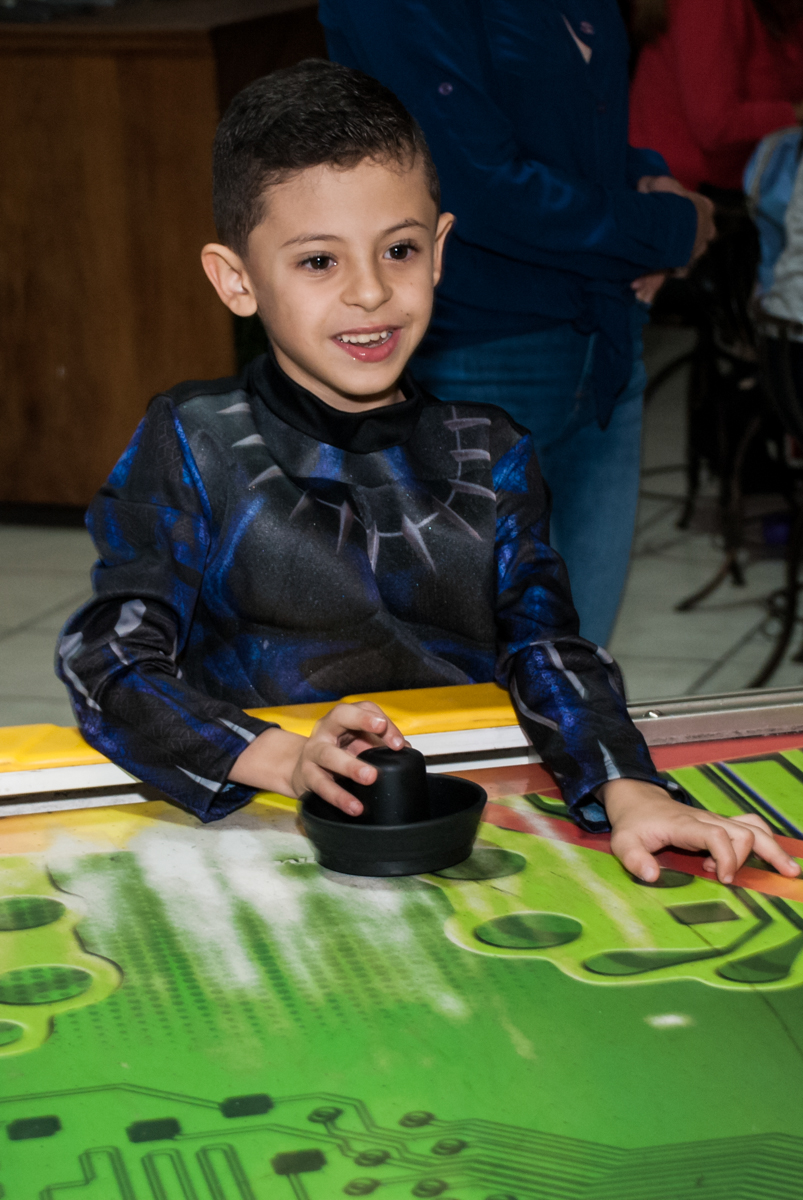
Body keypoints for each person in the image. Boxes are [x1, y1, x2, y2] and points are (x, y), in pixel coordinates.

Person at [56, 61, 798, 887]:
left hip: (468, 829)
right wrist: (285, 762)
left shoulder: (492, 451)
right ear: (236, 279)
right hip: (264, 840)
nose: (371, 292)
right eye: (317, 262)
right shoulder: (190, 441)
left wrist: (627, 788)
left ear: (439, 251)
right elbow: (108, 663)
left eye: (398, 250)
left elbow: (545, 645)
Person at [319, 0, 716, 647]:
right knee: (481, 671)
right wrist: (665, 230)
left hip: (602, 338)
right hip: (476, 348)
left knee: (575, 664)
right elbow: (474, 185)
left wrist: (648, 181)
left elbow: (575, 134)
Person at [630, 0, 803, 194]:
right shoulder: (710, 5)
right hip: (679, 193)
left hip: (745, 184)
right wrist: (796, 113)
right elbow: (716, 124)